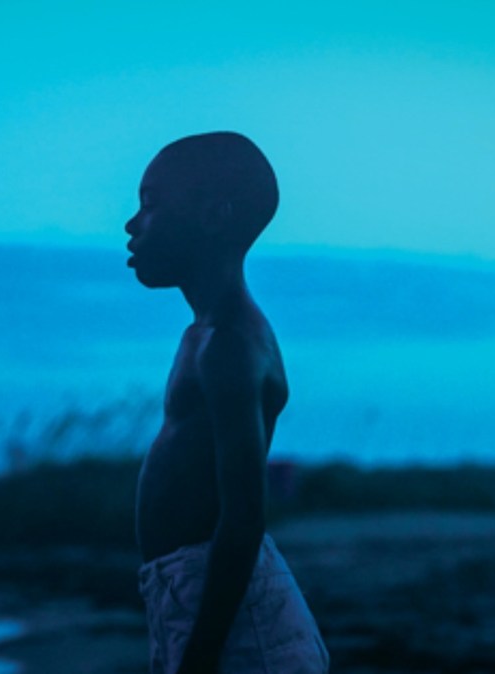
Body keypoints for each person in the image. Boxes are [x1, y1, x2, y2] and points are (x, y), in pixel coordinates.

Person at [126, 131, 330, 674]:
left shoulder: (231, 345)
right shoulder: (204, 337)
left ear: (213, 216)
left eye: (149, 205)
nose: (132, 224)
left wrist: (200, 655)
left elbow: (242, 517)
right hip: (191, 593)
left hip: (235, 614)